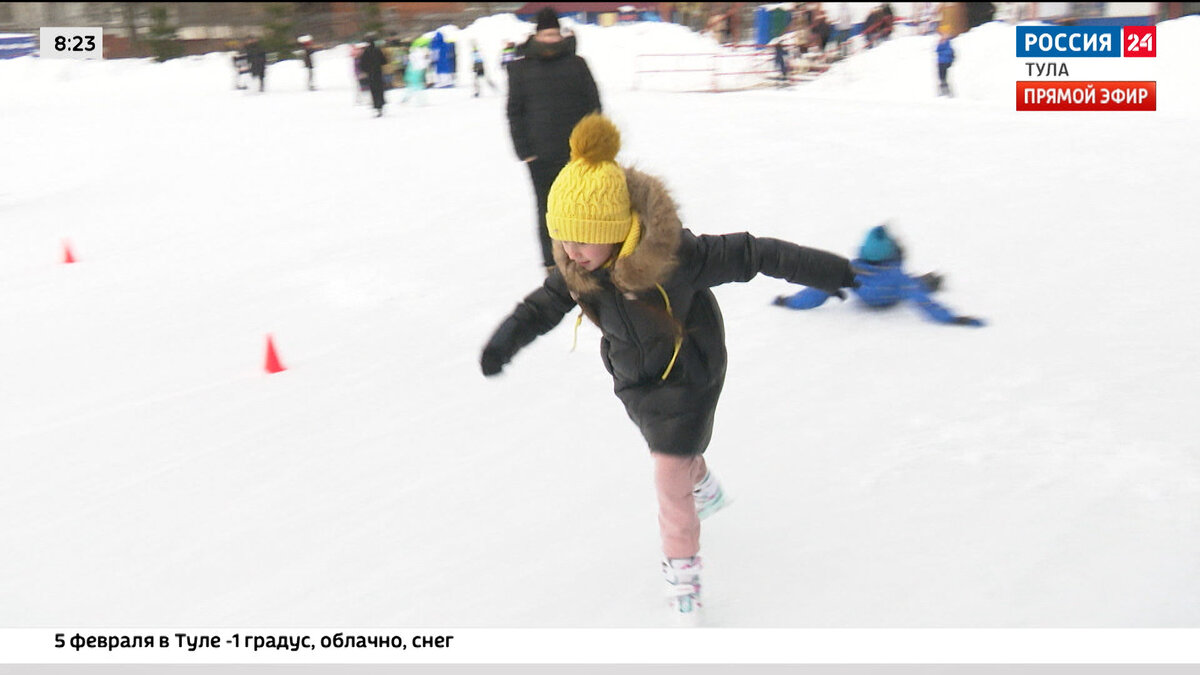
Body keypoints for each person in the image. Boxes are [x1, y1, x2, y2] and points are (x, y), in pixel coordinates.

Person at [480, 114, 859, 620]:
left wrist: (831, 271)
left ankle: (683, 578)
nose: (570, 253)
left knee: (667, 475)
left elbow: (757, 253)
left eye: (582, 239)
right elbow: (540, 309)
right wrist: (504, 342)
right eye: (563, 240)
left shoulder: (677, 257)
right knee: (674, 461)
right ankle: (701, 483)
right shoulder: (580, 271)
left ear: (616, 229)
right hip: (635, 380)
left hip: (689, 371)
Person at [506, 6, 602, 274]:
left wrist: (594, 145)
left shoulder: (577, 64)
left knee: (582, 206)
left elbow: (594, 106)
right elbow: (514, 112)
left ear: (560, 35)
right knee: (547, 208)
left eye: (554, 34)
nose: (550, 40)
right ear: (536, 36)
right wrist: (524, 150)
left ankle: (586, 259)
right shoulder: (520, 69)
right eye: (545, 35)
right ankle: (553, 263)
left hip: (578, 153)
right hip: (540, 154)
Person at [773, 224, 984, 326]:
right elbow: (924, 303)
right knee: (917, 285)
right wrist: (952, 319)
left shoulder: (851, 270)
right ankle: (932, 281)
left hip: (865, 294)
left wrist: (790, 302)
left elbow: (818, 291)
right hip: (892, 294)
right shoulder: (900, 279)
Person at [358, 35, 387, 117]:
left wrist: (366, 70)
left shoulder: (365, 52)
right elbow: (384, 61)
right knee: (380, 90)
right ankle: (380, 105)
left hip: (370, 74)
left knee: (373, 90)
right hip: (378, 73)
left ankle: (376, 106)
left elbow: (362, 64)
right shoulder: (378, 50)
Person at [935, 28, 955, 97]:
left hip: (946, 62)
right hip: (940, 62)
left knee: (944, 77)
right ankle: (943, 91)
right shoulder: (941, 43)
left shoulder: (948, 44)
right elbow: (937, 50)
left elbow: (949, 52)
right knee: (941, 77)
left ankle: (947, 92)